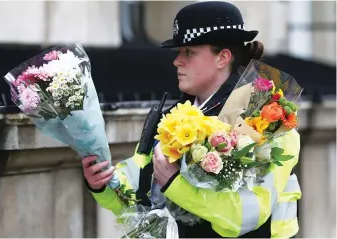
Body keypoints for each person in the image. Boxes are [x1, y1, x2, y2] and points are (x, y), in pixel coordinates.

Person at [82, 1, 302, 238]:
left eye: (189, 52)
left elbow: (244, 216)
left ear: (223, 57)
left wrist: (175, 184)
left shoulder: (265, 119)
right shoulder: (174, 118)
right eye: (179, 52)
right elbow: (138, 190)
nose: (177, 61)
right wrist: (104, 183)